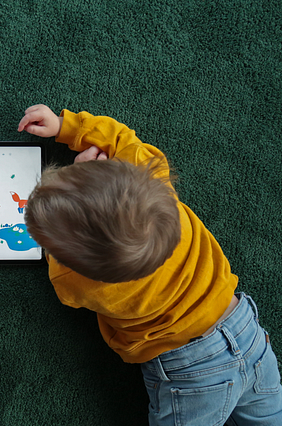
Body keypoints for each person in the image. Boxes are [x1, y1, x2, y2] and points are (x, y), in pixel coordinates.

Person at [18, 104, 282, 425]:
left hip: (190, 369)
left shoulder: (78, 282)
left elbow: (62, 276)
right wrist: (65, 126)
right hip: (244, 330)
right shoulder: (154, 179)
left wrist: (71, 148)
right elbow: (122, 138)